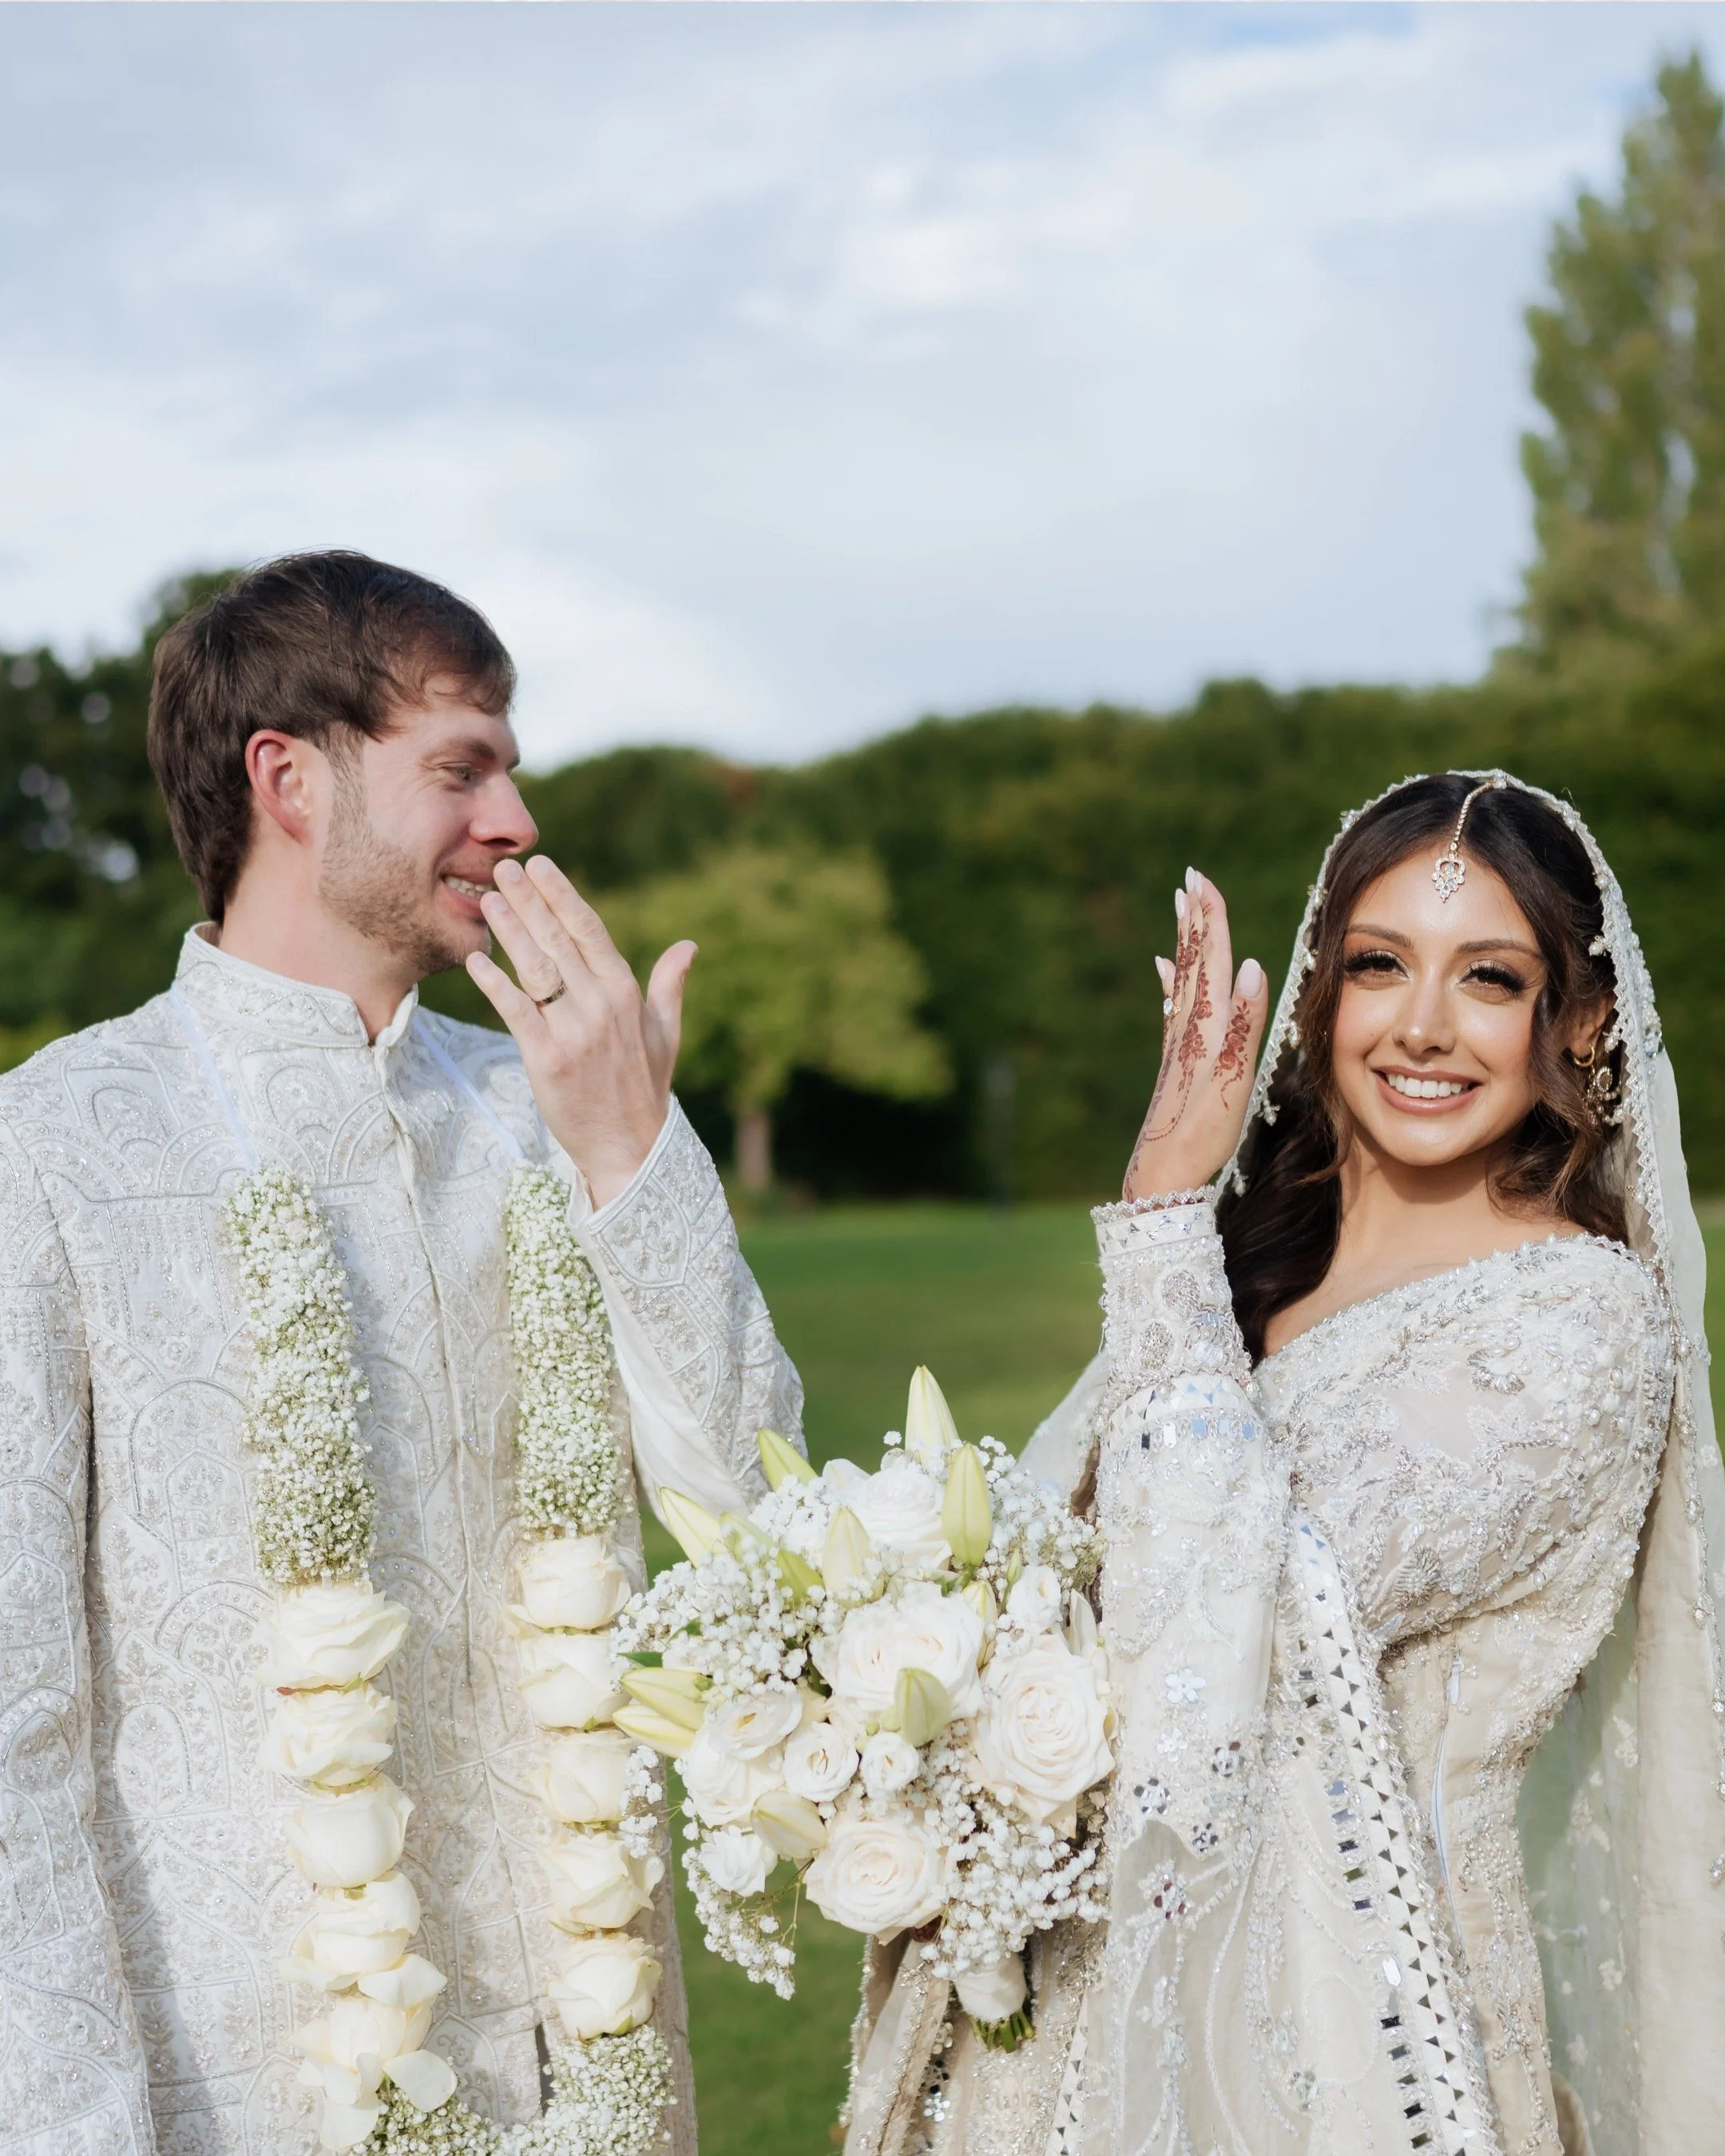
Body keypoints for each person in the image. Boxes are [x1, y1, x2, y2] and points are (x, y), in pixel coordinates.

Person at [0, 551, 803, 2154]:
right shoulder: (57, 1147)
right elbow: (17, 1729)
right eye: (462, 768)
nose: (514, 824)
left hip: (591, 2065)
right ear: (287, 778)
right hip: (236, 2092)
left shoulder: (547, 1103)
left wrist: (636, 1161)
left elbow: (758, 1530)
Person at [844, 772, 1725, 2156]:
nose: (1422, 1027)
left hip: (1355, 2038)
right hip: (1068, 2002)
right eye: (1380, 965)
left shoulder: (1581, 1329)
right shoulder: (1243, 1269)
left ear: (1586, 1019)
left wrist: (1154, 1219)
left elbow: (1219, 1628)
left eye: (1490, 978)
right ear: (1321, 990)